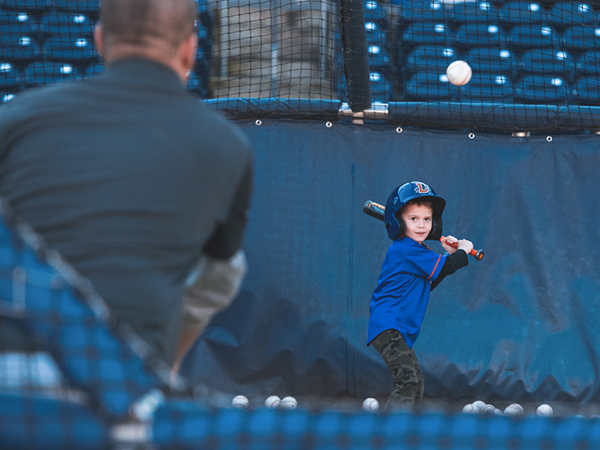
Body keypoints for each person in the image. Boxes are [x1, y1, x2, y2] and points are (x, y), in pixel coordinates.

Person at [0, 0, 253, 374]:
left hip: (12, 379)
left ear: (99, 39)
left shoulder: (14, 119)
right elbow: (215, 277)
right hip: (124, 388)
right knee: (226, 266)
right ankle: (161, 375)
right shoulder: (228, 144)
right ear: (190, 48)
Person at [367, 181, 473, 410]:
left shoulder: (418, 251)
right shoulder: (406, 249)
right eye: (413, 219)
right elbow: (445, 267)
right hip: (389, 326)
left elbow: (430, 281)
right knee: (408, 380)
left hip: (398, 328)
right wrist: (463, 252)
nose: (421, 225)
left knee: (416, 380)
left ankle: (409, 428)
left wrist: (449, 255)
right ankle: (389, 433)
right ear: (398, 221)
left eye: (426, 219)